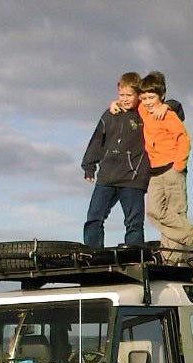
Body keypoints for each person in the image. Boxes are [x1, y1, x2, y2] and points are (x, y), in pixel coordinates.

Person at [136, 71, 193, 265]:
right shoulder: (143, 110)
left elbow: (183, 138)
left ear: (161, 97)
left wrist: (179, 165)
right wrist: (115, 104)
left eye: (152, 97)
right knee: (154, 211)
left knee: (176, 213)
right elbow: (130, 99)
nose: (148, 101)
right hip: (154, 171)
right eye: (144, 98)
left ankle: (173, 257)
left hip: (172, 169)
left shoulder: (167, 115)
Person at [80, 72, 150, 248]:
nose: (125, 99)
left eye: (129, 95)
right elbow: (97, 140)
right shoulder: (110, 114)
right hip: (107, 177)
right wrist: (89, 166)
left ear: (138, 95)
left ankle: (134, 256)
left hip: (133, 178)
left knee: (134, 222)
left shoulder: (145, 114)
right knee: (94, 217)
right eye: (121, 95)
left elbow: (171, 106)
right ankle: (93, 253)